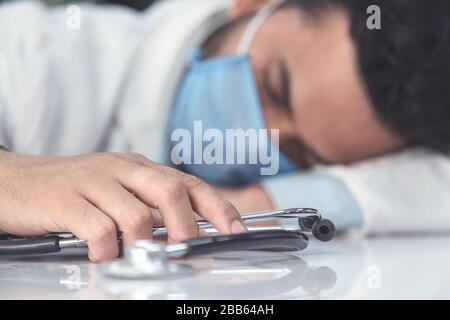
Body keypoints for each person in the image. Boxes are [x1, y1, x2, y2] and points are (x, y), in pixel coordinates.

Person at [0, 0, 449, 261]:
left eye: (301, 152)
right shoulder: (37, 54)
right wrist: (12, 178)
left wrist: (269, 203)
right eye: (275, 87)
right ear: (254, 5)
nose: (261, 138)